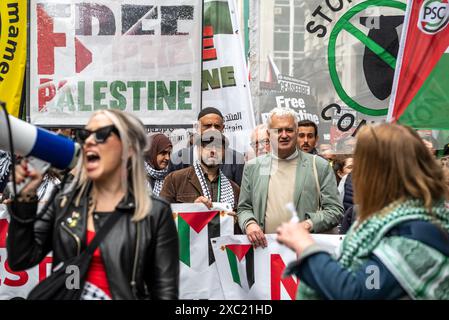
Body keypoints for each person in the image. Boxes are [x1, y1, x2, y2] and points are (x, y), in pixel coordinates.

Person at [7, 109, 179, 300]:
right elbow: (20, 259)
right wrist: (24, 199)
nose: (88, 141)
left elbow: (165, 293)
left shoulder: (155, 212)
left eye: (101, 134)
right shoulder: (64, 201)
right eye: (85, 135)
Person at [277, 123, 449, 299]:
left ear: (379, 173)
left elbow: (356, 293)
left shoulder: (415, 232)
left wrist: (305, 245)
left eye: (362, 164)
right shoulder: (391, 221)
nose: (356, 174)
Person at [237, 107, 343, 248]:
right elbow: (244, 208)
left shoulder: (319, 166)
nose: (284, 135)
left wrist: (307, 224)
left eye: (289, 130)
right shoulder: (252, 167)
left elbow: (335, 210)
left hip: (304, 250)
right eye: (278, 130)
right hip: (265, 252)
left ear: (297, 131)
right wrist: (249, 224)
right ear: (269, 134)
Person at [160, 131, 240, 211]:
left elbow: (240, 217)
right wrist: (193, 210)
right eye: (208, 146)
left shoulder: (234, 189)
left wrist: (233, 219)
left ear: (224, 152)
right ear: (198, 149)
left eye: (218, 147)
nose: (213, 151)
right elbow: (162, 216)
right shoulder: (175, 180)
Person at [170, 107, 245, 185]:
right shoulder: (178, 159)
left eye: (217, 126)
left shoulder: (237, 160)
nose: (212, 130)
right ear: (197, 127)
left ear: (223, 128)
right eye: (207, 126)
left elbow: (239, 194)